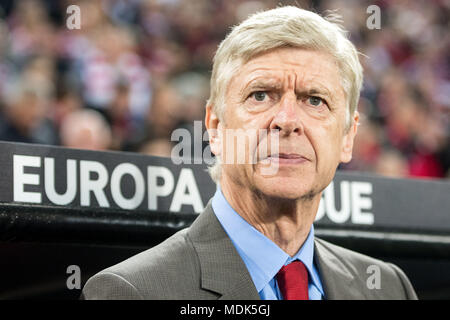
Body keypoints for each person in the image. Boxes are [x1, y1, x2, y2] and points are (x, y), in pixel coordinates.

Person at [81, 6, 417, 300]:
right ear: (215, 127)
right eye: (260, 95)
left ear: (348, 137)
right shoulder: (131, 292)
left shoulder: (389, 289)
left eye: (315, 100)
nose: (287, 121)